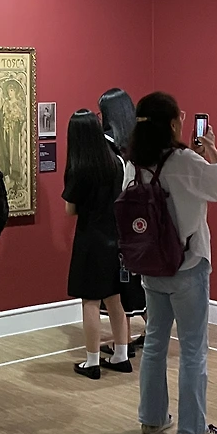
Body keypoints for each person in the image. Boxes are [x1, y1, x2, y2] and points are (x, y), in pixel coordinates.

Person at [131, 92, 217, 434]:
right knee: (193, 349)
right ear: (174, 124)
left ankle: (152, 418)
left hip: (151, 266)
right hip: (188, 266)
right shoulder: (185, 161)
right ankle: (194, 429)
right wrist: (213, 151)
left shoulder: (135, 165)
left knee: (155, 342)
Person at [63, 110, 132, 380]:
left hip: (90, 239)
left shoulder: (79, 168)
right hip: (115, 237)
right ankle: (121, 354)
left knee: (90, 300)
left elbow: (70, 209)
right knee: (115, 298)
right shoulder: (116, 162)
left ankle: (92, 361)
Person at [98, 88, 144, 353]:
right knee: (137, 283)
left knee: (121, 284)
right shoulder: (139, 145)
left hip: (119, 224)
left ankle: (122, 342)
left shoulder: (110, 149)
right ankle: (148, 332)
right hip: (141, 224)